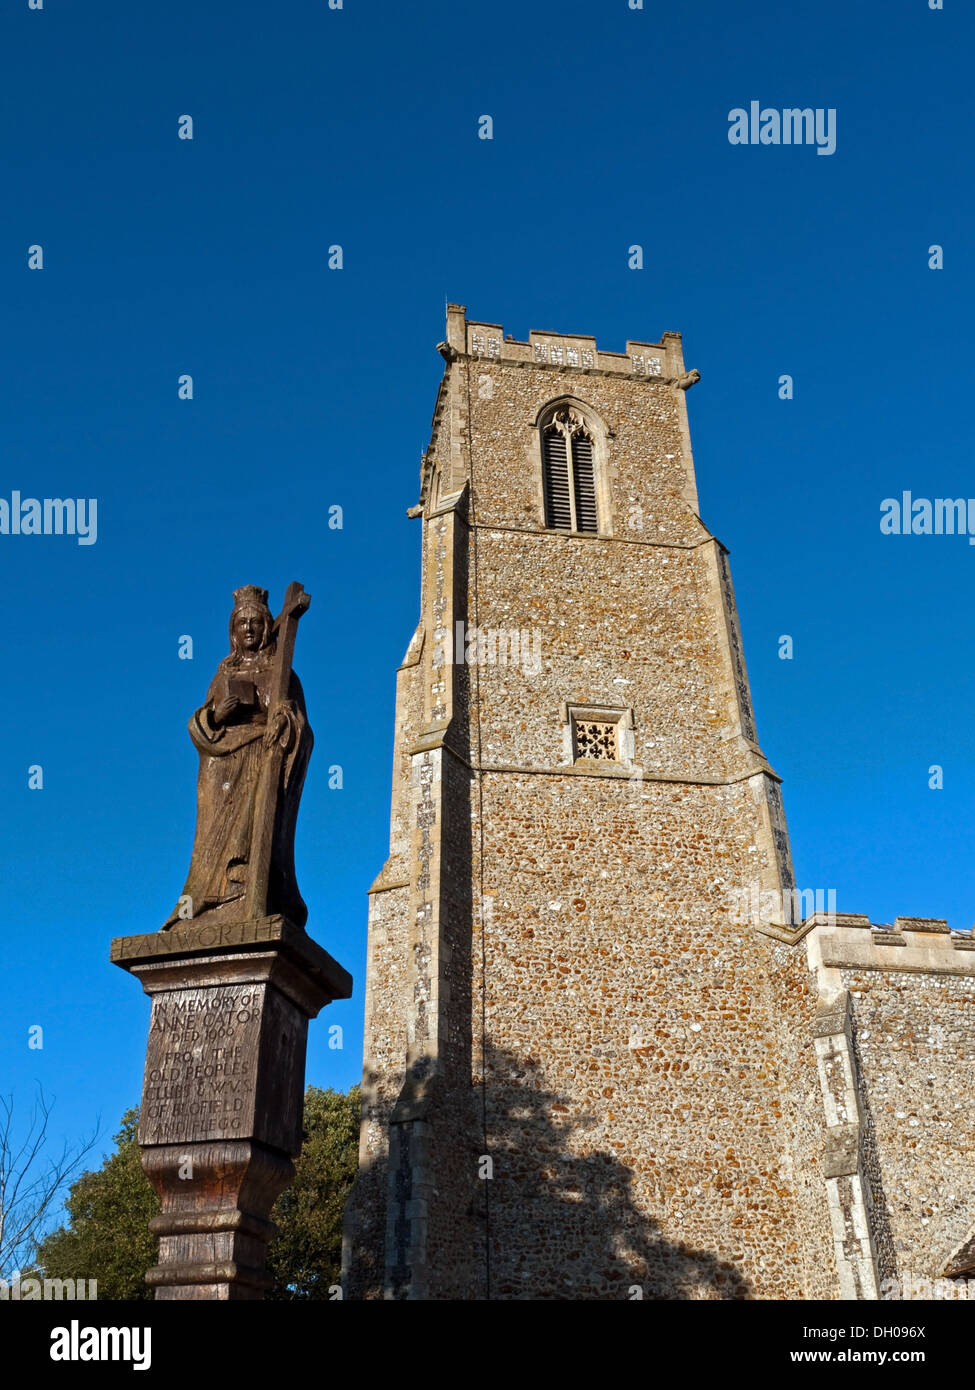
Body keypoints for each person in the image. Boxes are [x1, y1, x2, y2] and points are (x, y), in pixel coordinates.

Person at [162, 585, 312, 930]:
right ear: (233, 630)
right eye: (242, 623)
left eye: (255, 623)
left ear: (265, 627)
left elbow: (302, 727)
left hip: (261, 756)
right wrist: (217, 717)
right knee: (213, 833)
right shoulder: (223, 675)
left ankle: (246, 884)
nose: (248, 629)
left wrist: (284, 721)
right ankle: (208, 897)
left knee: (255, 818)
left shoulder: (282, 675)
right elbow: (200, 723)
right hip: (222, 765)